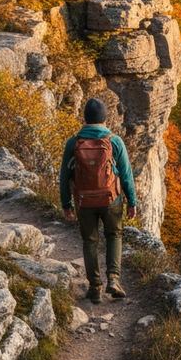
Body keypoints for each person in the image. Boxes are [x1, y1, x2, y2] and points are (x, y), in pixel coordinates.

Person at [60, 98, 137, 304]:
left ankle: (95, 287)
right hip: (111, 199)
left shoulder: (73, 142)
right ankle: (113, 279)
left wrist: (66, 205)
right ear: (104, 118)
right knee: (114, 235)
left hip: (84, 201)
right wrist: (132, 201)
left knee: (89, 241)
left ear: (85, 118)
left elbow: (64, 177)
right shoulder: (114, 141)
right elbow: (127, 175)